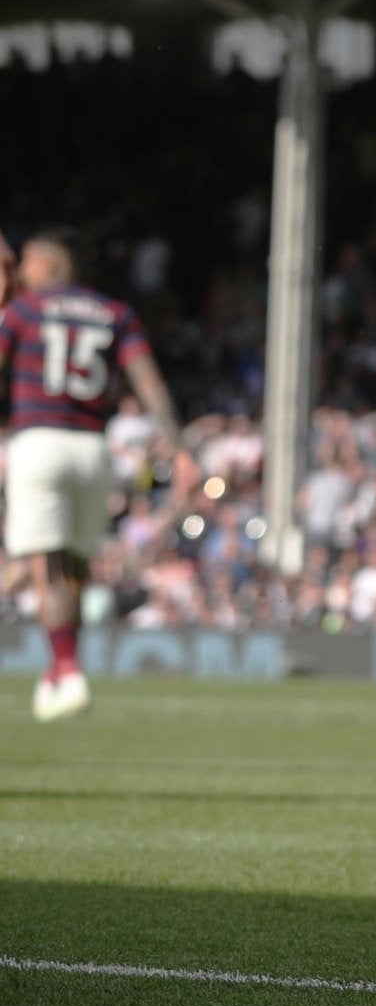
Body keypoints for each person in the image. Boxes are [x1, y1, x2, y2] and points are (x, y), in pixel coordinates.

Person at [0, 231, 179, 721]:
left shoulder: (26, 310)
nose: (17, 276)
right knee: (76, 566)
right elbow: (148, 381)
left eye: (23, 267)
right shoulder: (115, 312)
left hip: (39, 440)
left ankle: (66, 666)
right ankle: (58, 676)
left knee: (48, 566)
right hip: (93, 448)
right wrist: (178, 445)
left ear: (44, 265)